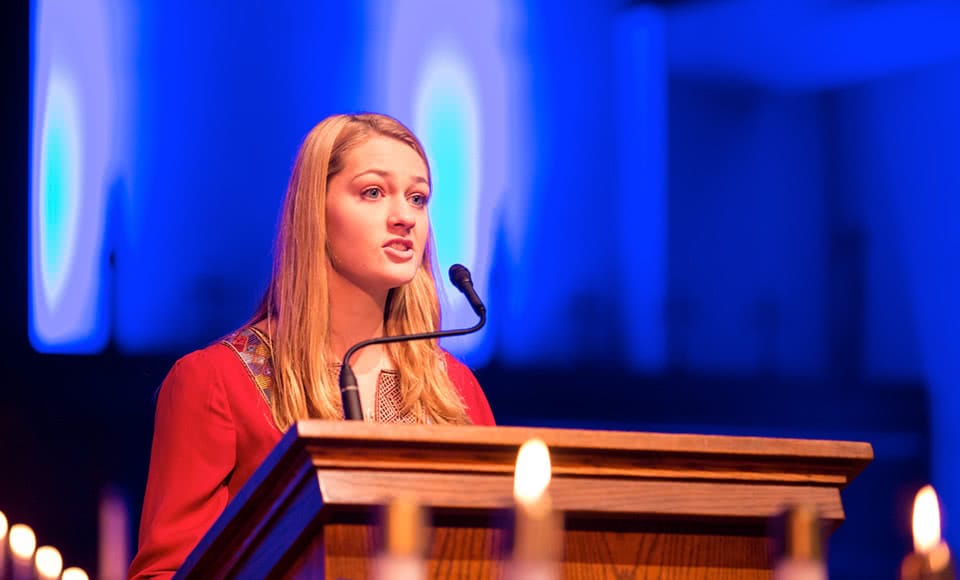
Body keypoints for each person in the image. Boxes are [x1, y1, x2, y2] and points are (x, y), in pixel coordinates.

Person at [128, 113, 496, 579]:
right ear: (313, 212)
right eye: (373, 192)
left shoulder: (454, 389)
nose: (404, 216)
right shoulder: (215, 381)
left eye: (418, 198)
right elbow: (166, 573)